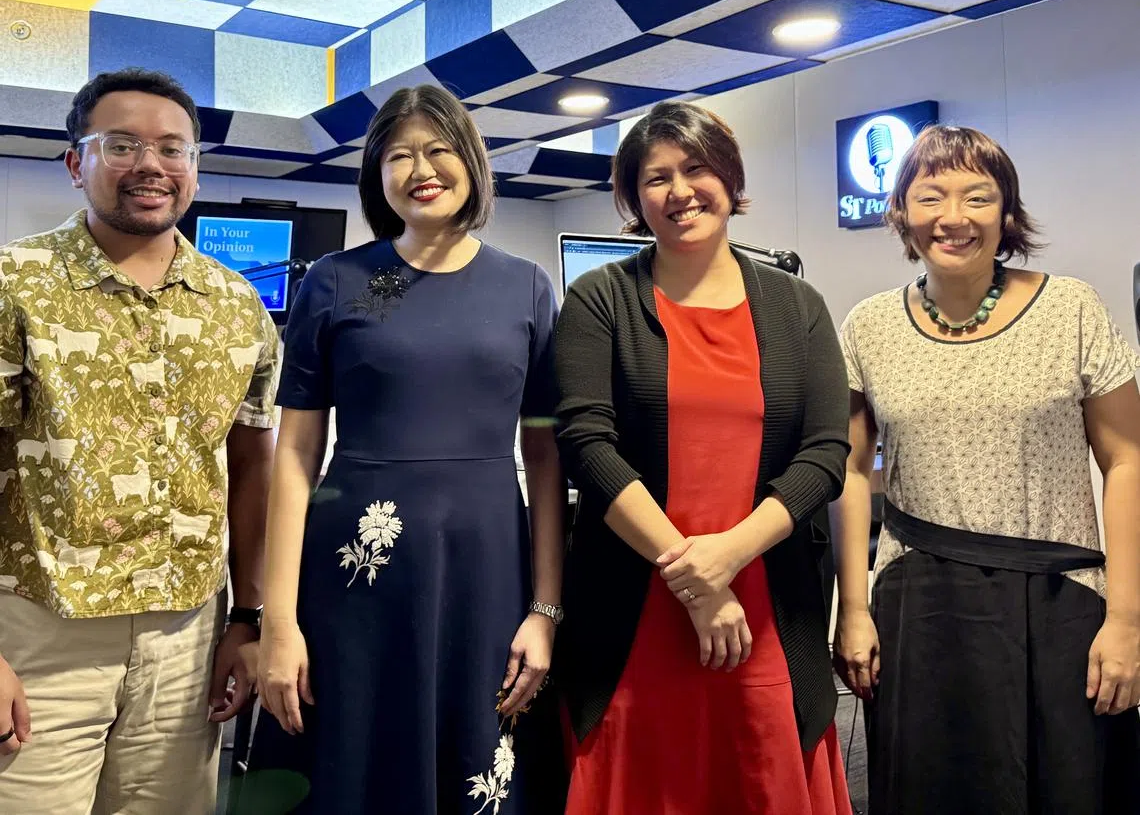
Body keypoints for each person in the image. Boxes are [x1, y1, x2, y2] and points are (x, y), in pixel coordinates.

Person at [240, 84, 564, 814]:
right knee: (353, 767)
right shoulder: (337, 282)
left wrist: (546, 608)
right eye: (400, 154)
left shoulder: (527, 288)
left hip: (486, 569)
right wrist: (279, 622)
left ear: (471, 162)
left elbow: (545, 459)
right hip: (356, 574)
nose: (422, 168)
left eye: (439, 149)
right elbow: (294, 460)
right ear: (377, 175)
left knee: (478, 761)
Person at [554, 100, 853, 814]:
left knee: (763, 775)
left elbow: (826, 453)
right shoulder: (601, 299)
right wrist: (694, 580)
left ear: (729, 177)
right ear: (632, 198)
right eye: (656, 178)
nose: (680, 191)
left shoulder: (796, 307)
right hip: (636, 607)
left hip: (767, 606)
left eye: (696, 168)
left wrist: (727, 559)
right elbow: (585, 445)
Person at [832, 124, 1140, 815]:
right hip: (920, 602)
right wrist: (852, 609)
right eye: (930, 196)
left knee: (1068, 787)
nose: (954, 217)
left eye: (978, 197)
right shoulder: (869, 326)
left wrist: (1128, 618)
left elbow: (1127, 460)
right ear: (903, 212)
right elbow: (851, 472)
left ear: (1007, 213)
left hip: (1061, 600)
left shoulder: (1072, 308)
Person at [0, 68, 279, 814]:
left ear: (193, 168)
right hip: (39, 631)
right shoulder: (14, 284)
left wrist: (247, 620)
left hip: (187, 636)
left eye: (173, 148)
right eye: (121, 145)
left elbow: (252, 468)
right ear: (75, 162)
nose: (151, 165)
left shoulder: (237, 304)